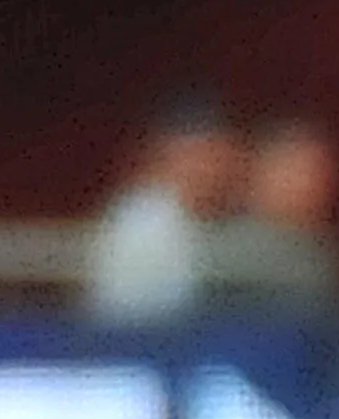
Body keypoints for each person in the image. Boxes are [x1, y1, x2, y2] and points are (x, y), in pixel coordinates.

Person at [82, 90, 244, 324]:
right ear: (168, 157)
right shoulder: (139, 220)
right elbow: (127, 311)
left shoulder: (230, 216)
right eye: (196, 156)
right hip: (140, 340)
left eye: (213, 155)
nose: (207, 169)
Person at [199, 116, 339, 314]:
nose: (309, 185)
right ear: (262, 174)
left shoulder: (326, 254)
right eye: (296, 171)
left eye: (318, 173)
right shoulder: (226, 257)